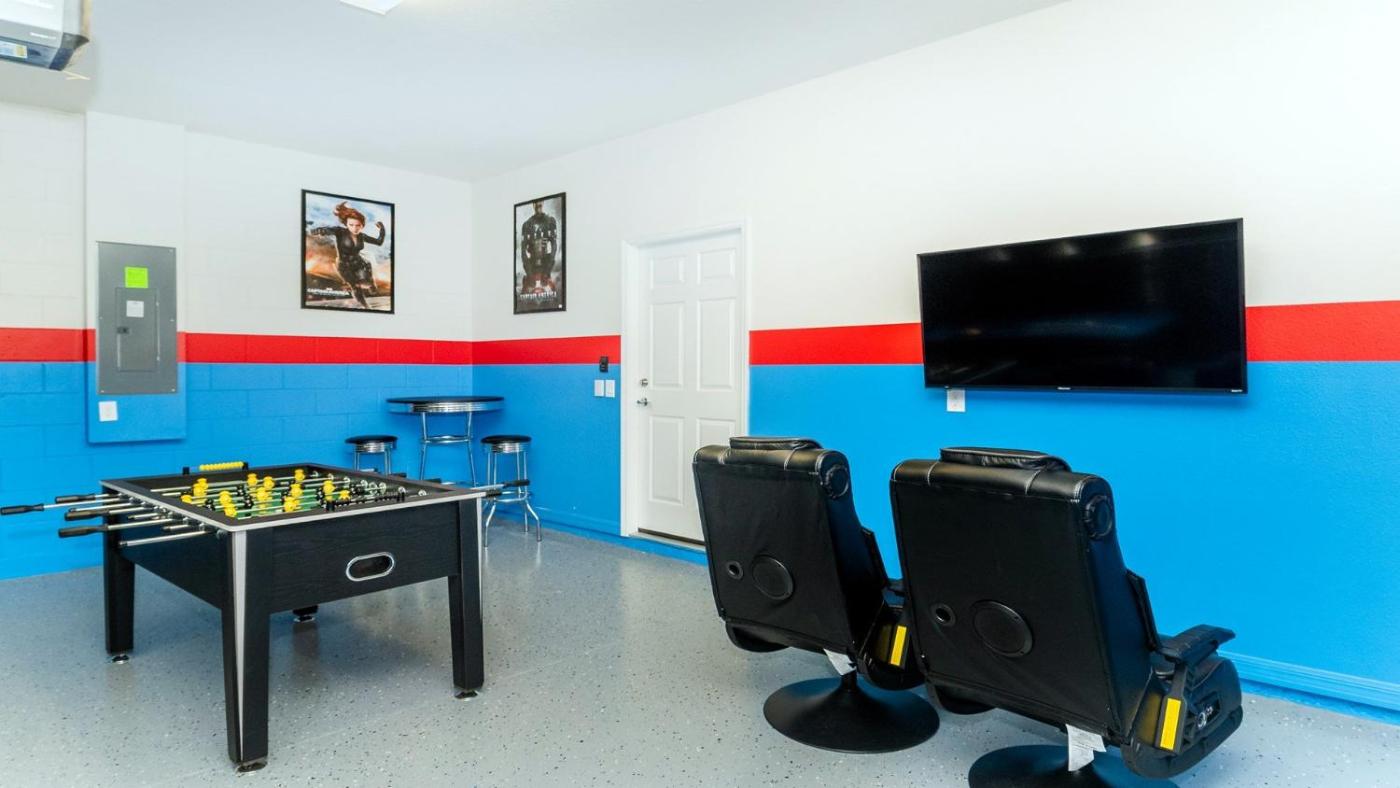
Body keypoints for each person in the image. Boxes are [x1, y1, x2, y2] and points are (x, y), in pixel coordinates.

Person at [307, 202, 385, 307]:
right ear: (346, 224)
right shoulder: (340, 231)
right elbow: (329, 230)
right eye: (351, 225)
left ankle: (371, 284)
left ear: (362, 225)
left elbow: (379, 242)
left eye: (358, 225)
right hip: (344, 265)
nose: (355, 228)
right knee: (355, 286)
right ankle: (365, 306)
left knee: (367, 263)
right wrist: (321, 230)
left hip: (359, 262)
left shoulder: (362, 236)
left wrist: (382, 229)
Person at [519, 200, 558, 294]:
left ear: (543, 202)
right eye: (535, 203)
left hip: (546, 265)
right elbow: (523, 250)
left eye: (540, 202)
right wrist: (529, 273)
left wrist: (547, 270)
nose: (538, 204)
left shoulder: (550, 221)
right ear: (533, 204)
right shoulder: (527, 225)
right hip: (531, 266)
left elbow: (554, 246)